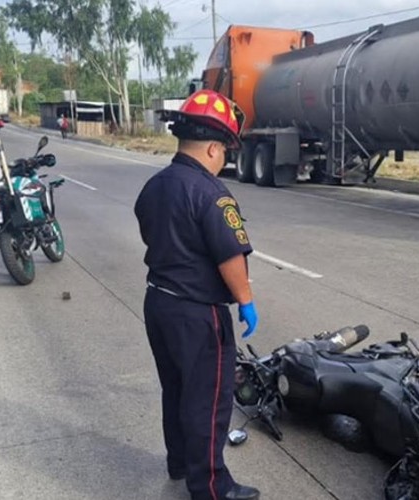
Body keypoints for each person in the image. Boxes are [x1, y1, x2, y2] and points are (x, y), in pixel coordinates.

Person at [134, 89, 260, 500]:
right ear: (212, 148)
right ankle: (211, 487)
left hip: (159, 303)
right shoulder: (211, 193)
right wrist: (246, 301)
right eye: (224, 151)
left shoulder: (155, 186)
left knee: (176, 389)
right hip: (198, 314)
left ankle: (180, 462)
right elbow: (230, 256)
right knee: (207, 400)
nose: (223, 160)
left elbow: (150, 232)